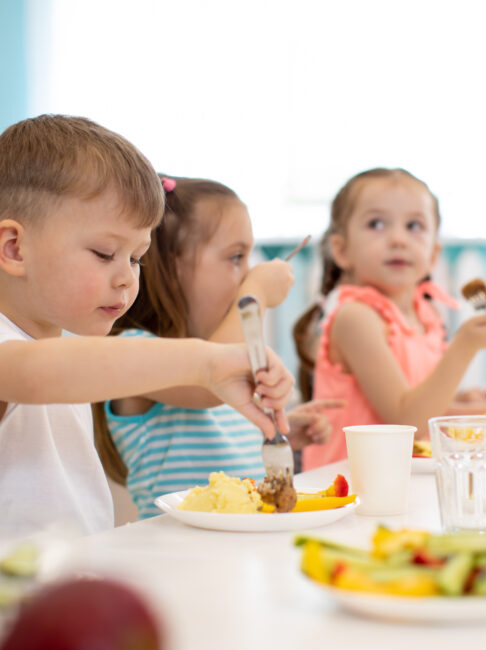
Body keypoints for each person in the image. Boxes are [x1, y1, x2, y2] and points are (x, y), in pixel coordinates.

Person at [0, 116, 294, 536]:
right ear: (14, 248)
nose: (127, 279)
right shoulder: (6, 345)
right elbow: (35, 372)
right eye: (104, 253)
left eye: (136, 259)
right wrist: (206, 361)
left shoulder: (63, 346)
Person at [94, 175, 342, 518]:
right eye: (236, 257)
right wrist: (254, 294)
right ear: (169, 265)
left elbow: (222, 448)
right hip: (177, 558)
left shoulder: (219, 357)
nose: (246, 273)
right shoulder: (132, 351)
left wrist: (273, 436)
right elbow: (209, 383)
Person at [293, 167, 486, 470]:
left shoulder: (425, 316)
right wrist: (464, 347)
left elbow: (421, 405)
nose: (398, 239)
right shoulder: (357, 318)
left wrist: (470, 404)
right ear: (342, 251)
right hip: (351, 485)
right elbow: (405, 419)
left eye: (414, 225)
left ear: (433, 255)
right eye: (377, 224)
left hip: (399, 478)